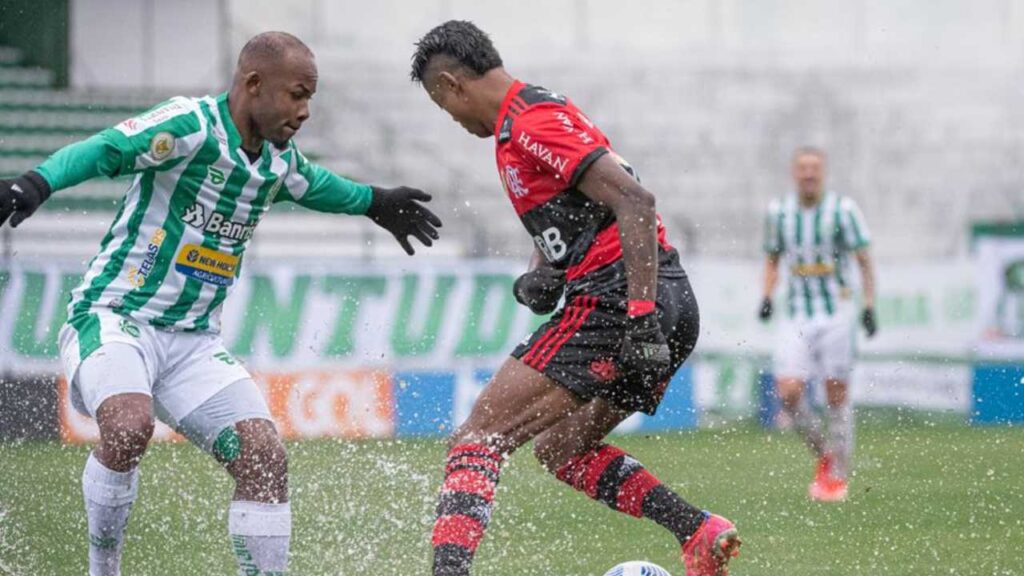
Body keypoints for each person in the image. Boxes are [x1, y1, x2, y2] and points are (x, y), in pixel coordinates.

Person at [0, 31, 441, 576]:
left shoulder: (278, 161)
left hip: (193, 343)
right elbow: (106, 148)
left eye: (309, 99)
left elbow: (316, 185)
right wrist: (36, 184)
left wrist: (375, 201)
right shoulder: (189, 126)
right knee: (129, 425)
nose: (304, 111)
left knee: (264, 457)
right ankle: (102, 568)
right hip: (116, 318)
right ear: (253, 84)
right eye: (296, 95)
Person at [410, 20, 740, 576]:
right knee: (561, 450)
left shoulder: (530, 121)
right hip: (665, 299)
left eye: (445, 109)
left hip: (623, 300)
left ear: (451, 85)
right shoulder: (538, 114)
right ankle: (696, 530)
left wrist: (638, 319)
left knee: (479, 437)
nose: (455, 121)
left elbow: (635, 200)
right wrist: (544, 268)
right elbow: (591, 209)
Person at [759, 146, 877, 502]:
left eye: (815, 168)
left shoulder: (843, 210)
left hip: (836, 312)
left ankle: (838, 475)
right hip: (796, 313)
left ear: (822, 172)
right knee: (789, 392)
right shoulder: (779, 213)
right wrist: (765, 296)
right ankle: (826, 453)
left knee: (835, 392)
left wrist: (869, 305)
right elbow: (772, 259)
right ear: (795, 173)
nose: (809, 174)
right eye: (803, 168)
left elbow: (863, 259)